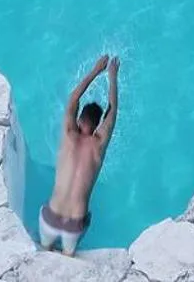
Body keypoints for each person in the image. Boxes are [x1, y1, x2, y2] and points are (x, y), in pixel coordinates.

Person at [40, 55, 119, 256]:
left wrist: (95, 70)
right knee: (68, 260)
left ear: (79, 118)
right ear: (95, 126)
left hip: (51, 216)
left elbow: (73, 98)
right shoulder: (99, 144)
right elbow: (113, 110)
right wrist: (113, 76)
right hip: (75, 224)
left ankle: (47, 248)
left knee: (44, 253)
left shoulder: (68, 134)